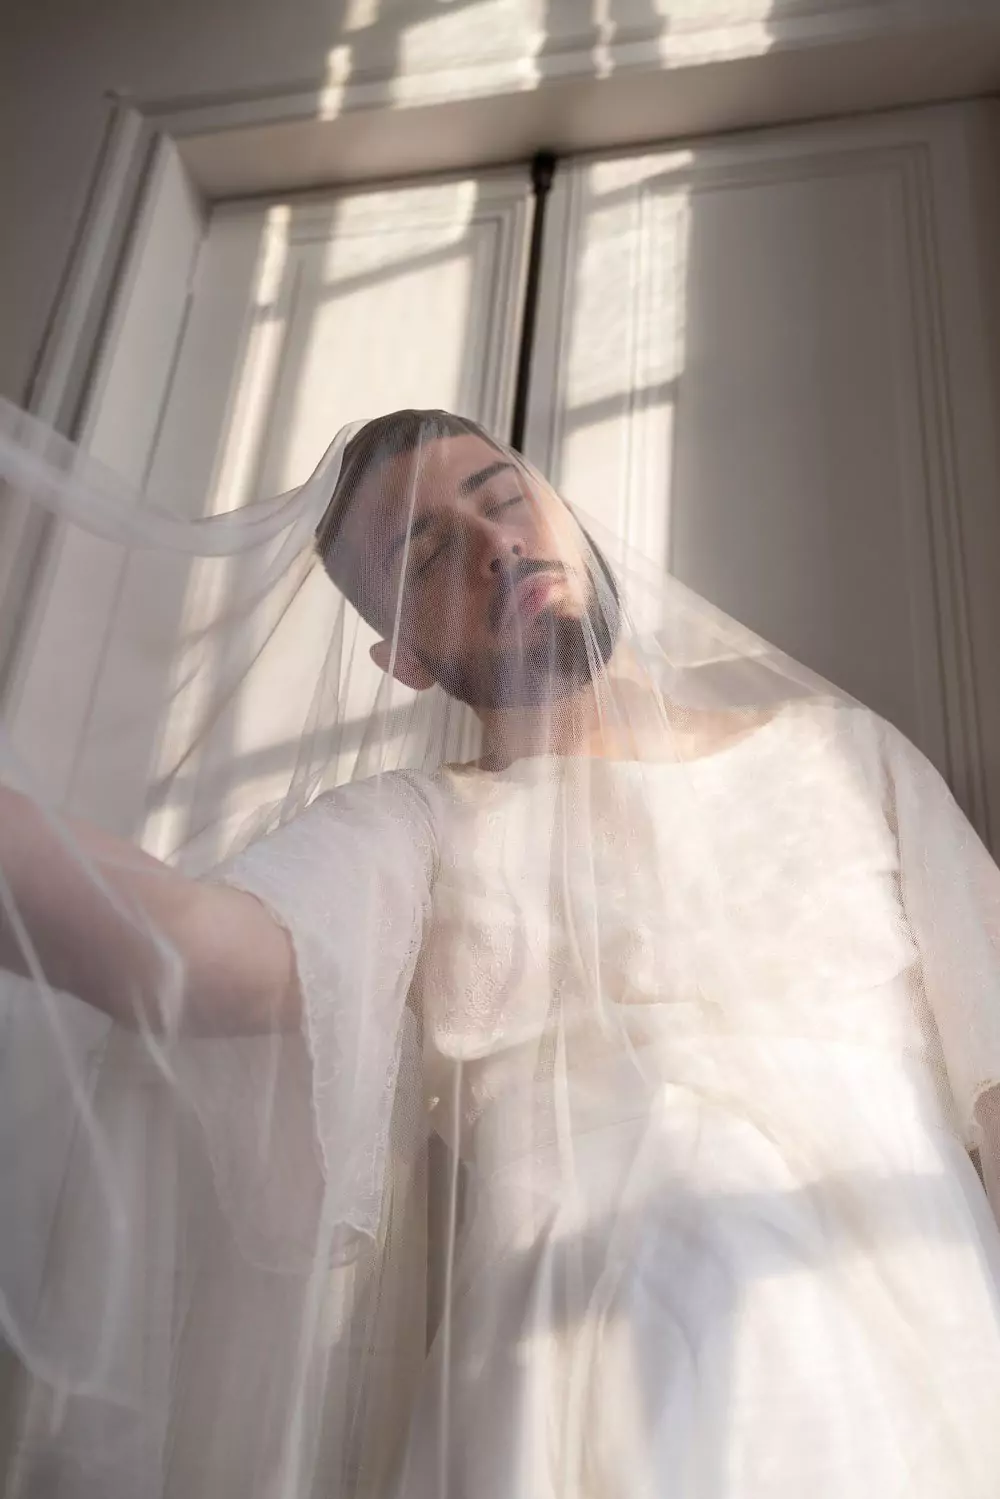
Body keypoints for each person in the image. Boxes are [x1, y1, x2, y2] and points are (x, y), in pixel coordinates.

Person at [3, 407, 1000, 1497]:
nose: (495, 544)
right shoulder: (418, 829)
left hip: (921, 1348)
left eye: (504, 497)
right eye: (428, 552)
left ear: (566, 517)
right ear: (403, 658)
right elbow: (190, 950)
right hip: (574, 1377)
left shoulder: (847, 756)